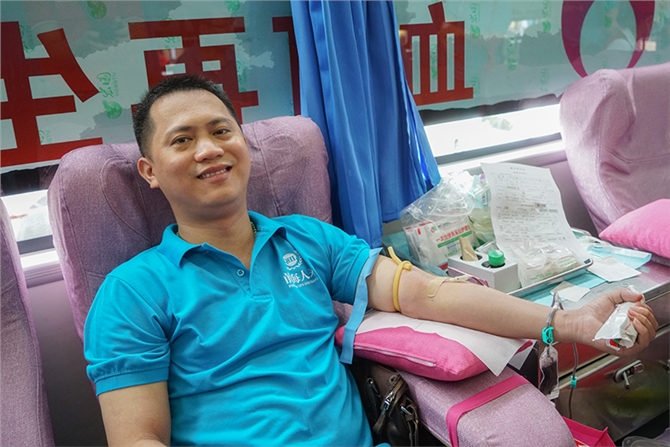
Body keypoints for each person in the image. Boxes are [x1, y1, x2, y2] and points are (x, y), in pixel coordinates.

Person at [84, 75, 658, 447]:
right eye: (182, 140)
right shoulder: (132, 292)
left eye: (220, 130)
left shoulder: (307, 240)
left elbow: (429, 294)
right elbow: (138, 439)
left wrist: (569, 322)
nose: (209, 149)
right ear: (150, 171)